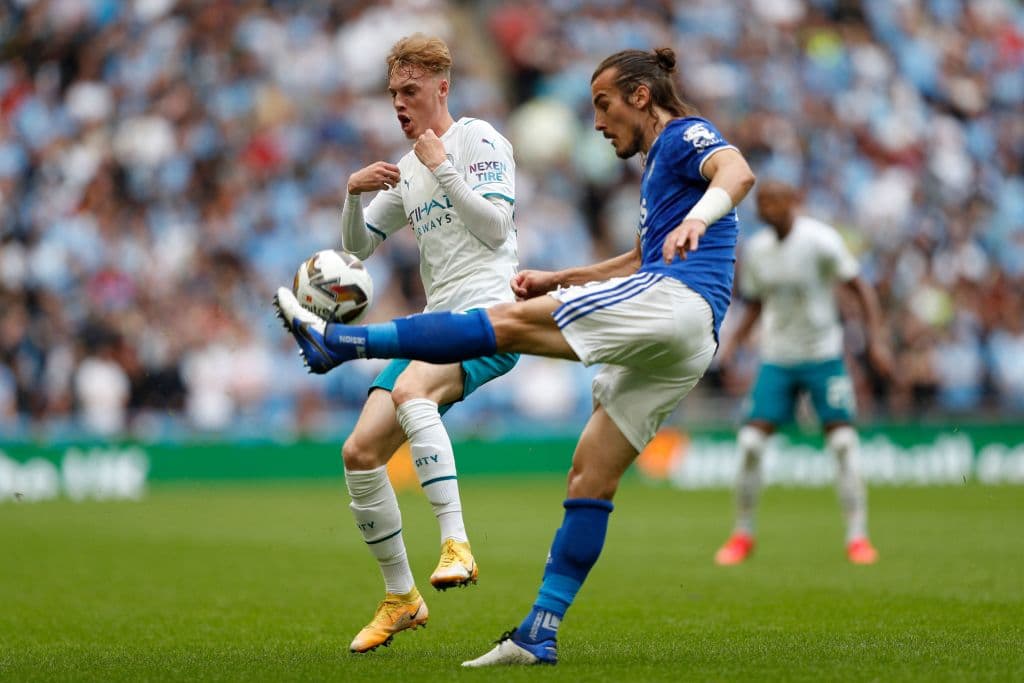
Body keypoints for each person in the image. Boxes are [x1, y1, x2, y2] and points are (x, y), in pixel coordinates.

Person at [275, 47, 755, 666]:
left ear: (641, 95)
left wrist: (701, 219)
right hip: (683, 329)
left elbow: (737, 173)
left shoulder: (685, 133)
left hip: (678, 300)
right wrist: (563, 277)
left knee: (500, 326)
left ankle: (341, 342)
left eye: (603, 106)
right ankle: (539, 632)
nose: (599, 123)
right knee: (590, 473)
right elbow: (639, 258)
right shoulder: (657, 162)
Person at [331, 34, 520, 654]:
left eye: (409, 90)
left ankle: (457, 542)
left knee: (412, 386)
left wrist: (441, 163)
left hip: (490, 316)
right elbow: (355, 251)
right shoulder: (406, 169)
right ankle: (401, 598)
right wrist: (353, 196)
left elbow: (496, 230)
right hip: (440, 322)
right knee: (359, 451)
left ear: (442, 86)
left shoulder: (478, 140)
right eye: (392, 93)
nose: (399, 103)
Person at [713, 180, 893, 567]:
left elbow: (860, 288)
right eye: (763, 202)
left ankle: (857, 537)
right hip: (777, 357)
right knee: (749, 445)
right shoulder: (758, 251)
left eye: (777, 200)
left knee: (844, 444)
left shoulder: (820, 241)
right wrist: (734, 343)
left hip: (823, 355)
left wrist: (875, 340)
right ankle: (742, 533)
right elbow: (758, 303)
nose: (770, 207)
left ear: (795, 202)